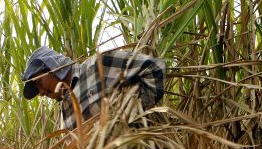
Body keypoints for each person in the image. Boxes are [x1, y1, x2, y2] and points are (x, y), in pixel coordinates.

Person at [21, 46, 166, 130]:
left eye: (38, 83)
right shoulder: (62, 116)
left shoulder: (98, 66)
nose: (40, 93)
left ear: (53, 67)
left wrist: (136, 114)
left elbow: (154, 68)